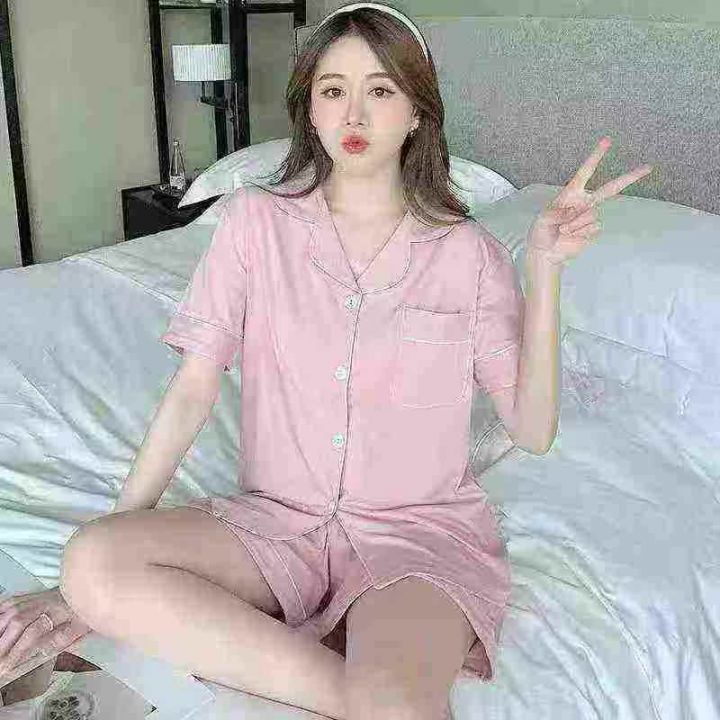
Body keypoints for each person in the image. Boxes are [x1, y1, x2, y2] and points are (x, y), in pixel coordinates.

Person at [0, 2, 652, 718]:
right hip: (277, 525)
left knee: (394, 700)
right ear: (310, 108)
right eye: (333, 89)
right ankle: (346, 694)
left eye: (381, 90)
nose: (355, 113)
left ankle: (362, 694)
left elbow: (532, 432)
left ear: (417, 113)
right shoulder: (253, 222)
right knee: (92, 561)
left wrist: (546, 272)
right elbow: (191, 393)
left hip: (416, 539)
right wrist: (104, 556)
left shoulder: (469, 255)